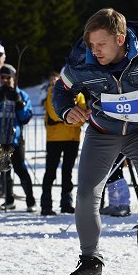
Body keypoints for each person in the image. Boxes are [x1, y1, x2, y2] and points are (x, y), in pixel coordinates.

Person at [52, 7, 138, 275]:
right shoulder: (81, 58)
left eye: (101, 44)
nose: (95, 51)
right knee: (87, 194)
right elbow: (61, 90)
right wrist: (67, 110)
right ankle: (90, 262)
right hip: (103, 131)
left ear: (121, 38)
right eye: (91, 44)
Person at [0, 64, 35, 212]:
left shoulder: (22, 94)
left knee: (20, 169)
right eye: (2, 77)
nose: (5, 80)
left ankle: (30, 200)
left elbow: (25, 117)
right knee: (3, 170)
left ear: (14, 78)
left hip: (14, 139)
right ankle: (8, 200)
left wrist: (19, 103)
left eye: (8, 77)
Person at [41, 71, 84, 216]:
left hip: (72, 139)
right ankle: (46, 204)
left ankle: (66, 203)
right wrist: (72, 120)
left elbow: (82, 118)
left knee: (68, 172)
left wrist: (67, 119)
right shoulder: (52, 92)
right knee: (50, 172)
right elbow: (54, 113)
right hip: (54, 139)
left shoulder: (79, 95)